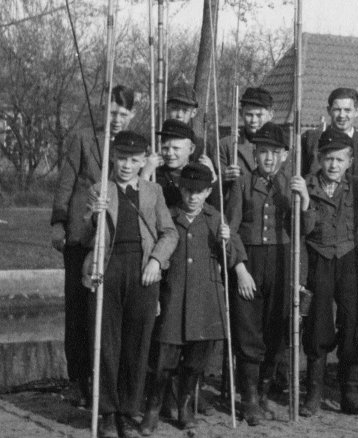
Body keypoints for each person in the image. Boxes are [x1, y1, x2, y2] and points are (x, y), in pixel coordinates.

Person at [139, 163, 249, 434]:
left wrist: (225, 241)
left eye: (199, 192)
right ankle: (153, 408)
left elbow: (232, 258)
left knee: (195, 362)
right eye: (188, 190)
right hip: (173, 297)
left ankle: (185, 406)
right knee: (164, 359)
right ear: (180, 188)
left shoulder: (215, 218)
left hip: (206, 300)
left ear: (209, 191)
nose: (192, 197)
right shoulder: (168, 215)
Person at [82, 131, 178, 437]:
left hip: (143, 272)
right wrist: (94, 218)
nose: (127, 165)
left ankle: (127, 409)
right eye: (122, 158)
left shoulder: (153, 191)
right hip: (108, 270)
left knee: (137, 345)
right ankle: (108, 411)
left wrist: (156, 261)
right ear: (113, 157)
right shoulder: (100, 189)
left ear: (143, 161)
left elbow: (170, 233)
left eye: (134, 160)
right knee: (107, 343)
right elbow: (86, 237)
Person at [298, 130, 358, 417]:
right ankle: (313, 392)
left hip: (351, 257)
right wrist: (303, 201)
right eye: (328, 159)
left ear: (350, 161)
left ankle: (349, 391)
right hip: (319, 257)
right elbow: (301, 228)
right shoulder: (307, 185)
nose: (333, 165)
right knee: (318, 321)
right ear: (318, 158)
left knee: (353, 320)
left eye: (340, 159)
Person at [51, 84, 136, 409]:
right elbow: (65, 183)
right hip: (81, 236)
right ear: (105, 109)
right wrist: (59, 223)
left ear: (132, 115)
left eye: (123, 114)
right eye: (112, 113)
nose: (117, 119)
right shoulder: (83, 139)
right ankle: (79, 380)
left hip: (113, 239)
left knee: (105, 313)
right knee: (76, 308)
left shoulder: (131, 145)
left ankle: (106, 380)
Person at [225, 122, 304, 425]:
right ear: (254, 154)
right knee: (248, 332)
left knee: (275, 331)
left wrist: (304, 200)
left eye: (275, 152)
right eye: (263, 152)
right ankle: (247, 400)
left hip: (282, 262)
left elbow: (303, 231)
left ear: (285, 155)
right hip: (250, 262)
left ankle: (263, 394)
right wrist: (240, 269)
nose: (269, 158)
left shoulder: (291, 185)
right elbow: (230, 231)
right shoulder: (242, 184)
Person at [300, 87, 358, 180]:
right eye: (337, 109)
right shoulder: (311, 140)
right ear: (329, 110)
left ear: (356, 112)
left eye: (347, 110)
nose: (342, 115)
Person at [143, 119, 218, 208]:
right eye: (165, 148)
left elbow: (215, 206)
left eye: (176, 148)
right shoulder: (154, 173)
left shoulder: (198, 173)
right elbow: (142, 205)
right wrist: (145, 174)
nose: (169, 153)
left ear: (191, 149)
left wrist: (213, 177)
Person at [219, 87, 277, 181]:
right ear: (241, 113)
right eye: (249, 115)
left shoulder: (280, 149)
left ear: (271, 115)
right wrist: (223, 179)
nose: (253, 120)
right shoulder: (226, 146)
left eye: (259, 115)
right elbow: (210, 189)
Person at [163, 83, 215, 162]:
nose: (179, 115)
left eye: (185, 110)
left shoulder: (201, 146)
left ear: (193, 112)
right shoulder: (156, 140)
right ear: (167, 109)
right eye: (174, 108)